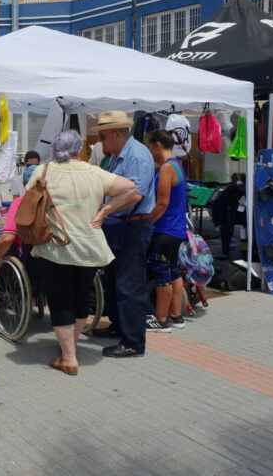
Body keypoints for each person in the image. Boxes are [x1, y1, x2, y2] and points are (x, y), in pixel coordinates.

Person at [28, 131, 138, 375]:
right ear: (80, 149)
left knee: (60, 301)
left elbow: (29, 197)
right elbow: (131, 188)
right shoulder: (95, 172)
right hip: (90, 246)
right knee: (80, 299)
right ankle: (72, 348)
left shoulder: (44, 171)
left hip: (55, 246)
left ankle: (68, 357)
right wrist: (104, 212)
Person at [92, 110, 156, 359]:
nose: (101, 141)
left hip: (132, 225)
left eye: (105, 136)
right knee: (113, 281)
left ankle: (132, 342)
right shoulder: (116, 156)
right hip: (118, 225)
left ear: (119, 133)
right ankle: (119, 327)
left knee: (129, 284)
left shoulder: (137, 155)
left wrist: (105, 210)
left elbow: (134, 194)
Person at [146, 130, 188, 332]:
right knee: (173, 271)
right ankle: (176, 315)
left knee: (162, 273)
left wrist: (148, 221)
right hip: (177, 229)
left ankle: (161, 319)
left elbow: (162, 203)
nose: (149, 151)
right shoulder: (178, 165)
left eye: (149, 146)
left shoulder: (166, 169)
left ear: (157, 145)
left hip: (165, 229)